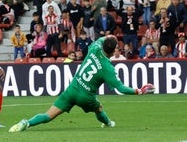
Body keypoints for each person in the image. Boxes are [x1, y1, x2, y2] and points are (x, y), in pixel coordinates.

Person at [8, 35, 154, 132]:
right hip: (86, 96)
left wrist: (109, 37)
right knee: (99, 108)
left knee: (48, 115)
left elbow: (102, 39)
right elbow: (121, 88)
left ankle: (25, 123)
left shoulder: (95, 48)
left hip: (73, 88)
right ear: (113, 51)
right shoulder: (108, 68)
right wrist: (138, 90)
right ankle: (109, 123)